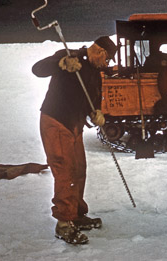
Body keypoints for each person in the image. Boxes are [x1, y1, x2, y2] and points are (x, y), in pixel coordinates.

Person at [32, 36, 117, 244]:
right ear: (100, 52)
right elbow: (38, 69)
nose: (106, 65)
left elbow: (93, 99)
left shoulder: (96, 73)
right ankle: (63, 223)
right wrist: (60, 64)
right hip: (56, 121)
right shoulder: (69, 56)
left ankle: (76, 215)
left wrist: (97, 112)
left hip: (74, 125)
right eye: (106, 60)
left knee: (79, 169)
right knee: (65, 171)